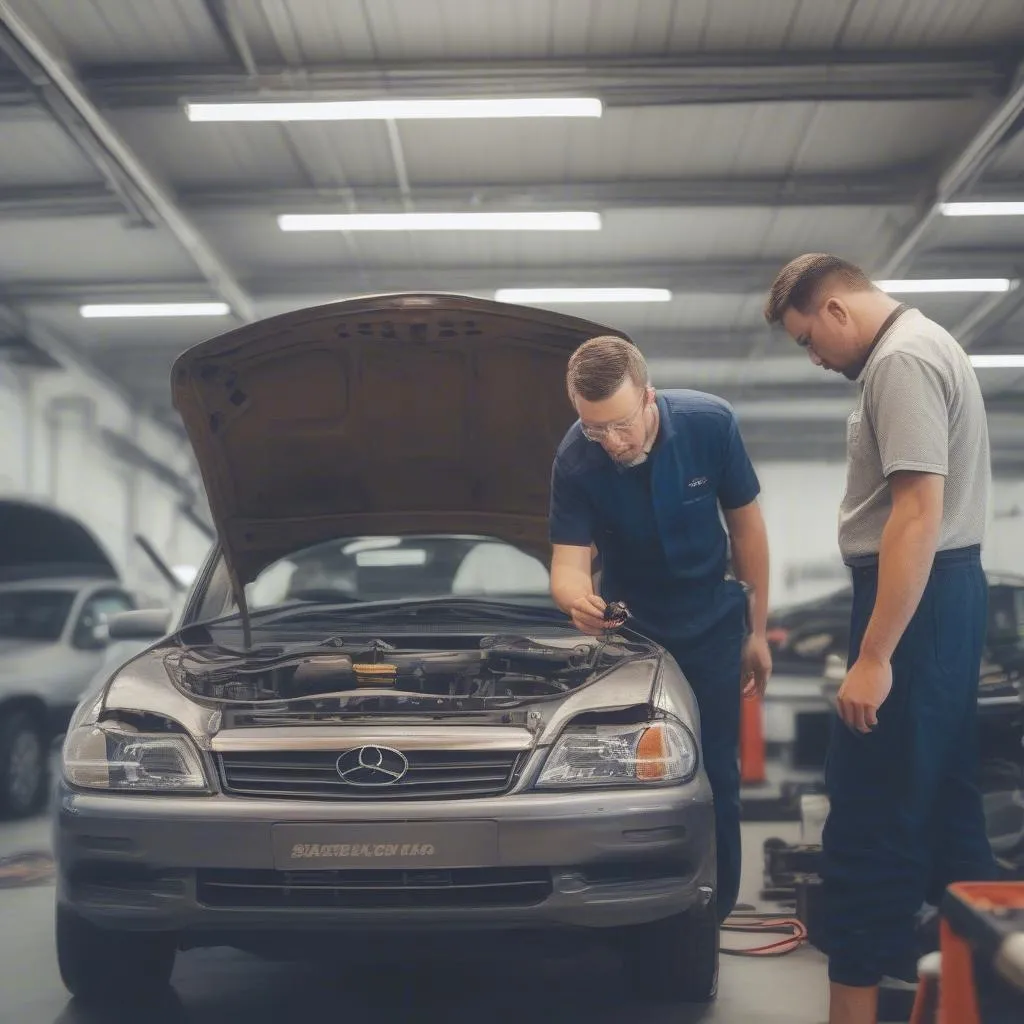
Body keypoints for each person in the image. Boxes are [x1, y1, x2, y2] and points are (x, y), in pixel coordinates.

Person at [763, 253, 997, 1024]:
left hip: (915, 605)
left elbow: (916, 515)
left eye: (807, 339)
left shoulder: (900, 361)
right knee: (951, 823)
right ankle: (985, 1002)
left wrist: (872, 655)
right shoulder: (926, 346)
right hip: (945, 596)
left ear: (834, 310)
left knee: (867, 823)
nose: (815, 356)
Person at [547, 335, 773, 923]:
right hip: (632, 631)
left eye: (620, 424)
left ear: (649, 397)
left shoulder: (709, 424)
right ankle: (631, 906)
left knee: (717, 768)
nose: (612, 443)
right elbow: (568, 566)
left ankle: (712, 915)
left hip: (713, 620)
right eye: (595, 429)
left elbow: (747, 532)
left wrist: (757, 629)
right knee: (626, 770)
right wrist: (578, 602)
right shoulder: (575, 457)